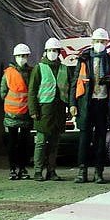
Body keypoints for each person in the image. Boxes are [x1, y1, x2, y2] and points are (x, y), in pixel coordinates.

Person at [70, 28, 110, 184]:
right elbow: (74, 82)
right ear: (92, 42)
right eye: (97, 41)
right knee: (84, 139)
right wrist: (73, 103)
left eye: (102, 41)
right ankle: (82, 171)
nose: (100, 44)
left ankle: (99, 172)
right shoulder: (84, 59)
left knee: (100, 140)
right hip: (86, 104)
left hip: (103, 104)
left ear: (107, 43)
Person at [28, 37, 70, 182]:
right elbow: (32, 90)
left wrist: (70, 107)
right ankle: (38, 171)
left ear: (59, 52)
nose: (53, 53)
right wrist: (33, 110)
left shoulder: (64, 68)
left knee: (54, 143)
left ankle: (51, 171)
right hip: (44, 110)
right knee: (40, 142)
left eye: (55, 50)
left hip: (59, 110)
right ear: (46, 51)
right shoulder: (39, 68)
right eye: (50, 50)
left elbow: (68, 89)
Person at [0, 43, 33, 180]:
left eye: (23, 56)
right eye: (19, 56)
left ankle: (20, 169)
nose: (21, 58)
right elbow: (3, 92)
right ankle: (14, 169)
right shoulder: (9, 73)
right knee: (13, 144)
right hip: (13, 115)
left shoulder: (31, 72)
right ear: (15, 57)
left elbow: (3, 93)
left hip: (24, 114)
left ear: (27, 56)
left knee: (23, 144)